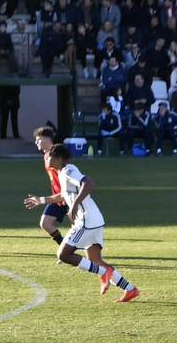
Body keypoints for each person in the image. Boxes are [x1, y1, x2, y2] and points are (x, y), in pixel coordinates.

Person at [25, 144, 138, 303]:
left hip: (86, 220)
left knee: (63, 254)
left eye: (49, 156)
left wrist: (76, 204)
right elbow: (63, 196)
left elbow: (88, 183)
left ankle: (103, 272)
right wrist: (41, 200)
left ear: (57, 157)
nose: (46, 158)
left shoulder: (68, 170)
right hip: (93, 219)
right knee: (95, 260)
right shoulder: (62, 174)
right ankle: (130, 289)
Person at [30, 125, 66, 244]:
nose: (36, 142)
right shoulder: (46, 156)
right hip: (56, 197)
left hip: (68, 197)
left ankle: (73, 251)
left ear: (47, 140)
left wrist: (66, 194)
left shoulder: (56, 155)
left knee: (78, 228)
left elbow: (67, 175)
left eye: (38, 139)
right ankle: (65, 249)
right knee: (45, 223)